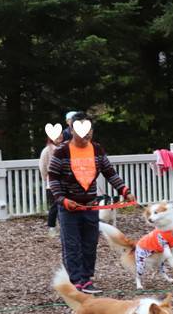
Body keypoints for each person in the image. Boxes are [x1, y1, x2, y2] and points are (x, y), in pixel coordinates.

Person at [47, 113, 135, 294]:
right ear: (72, 130)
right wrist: (62, 199)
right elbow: (53, 178)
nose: (86, 134)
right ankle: (75, 281)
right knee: (72, 244)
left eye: (89, 130)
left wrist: (124, 191)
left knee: (90, 243)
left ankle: (86, 279)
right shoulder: (62, 151)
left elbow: (110, 173)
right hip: (68, 207)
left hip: (91, 205)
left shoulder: (97, 149)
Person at [38, 126, 63, 237]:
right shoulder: (47, 150)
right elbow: (42, 166)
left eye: (60, 134)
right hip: (52, 182)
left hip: (65, 182)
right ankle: (52, 227)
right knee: (55, 206)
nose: (59, 136)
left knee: (63, 206)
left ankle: (62, 226)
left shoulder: (65, 148)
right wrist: (46, 178)